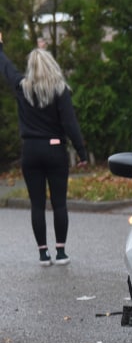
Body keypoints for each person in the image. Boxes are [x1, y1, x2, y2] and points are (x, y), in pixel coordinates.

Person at [0, 33, 89, 266]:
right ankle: (60, 252)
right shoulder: (60, 90)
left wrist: (0, 48)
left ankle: (42, 253)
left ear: (31, 68)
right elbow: (70, 124)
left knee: (37, 204)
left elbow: (7, 69)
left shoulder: (22, 88)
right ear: (52, 65)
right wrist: (81, 152)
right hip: (55, 150)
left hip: (30, 151)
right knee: (59, 203)